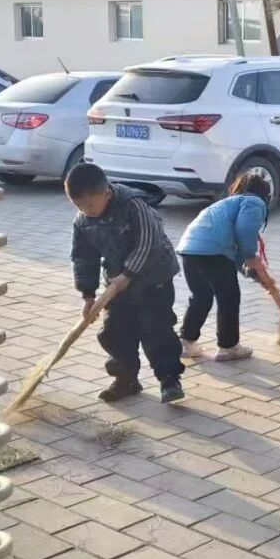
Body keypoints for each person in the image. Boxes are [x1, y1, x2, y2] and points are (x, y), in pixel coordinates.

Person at [67, 163, 185, 403]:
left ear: (106, 193)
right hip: (116, 283)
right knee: (114, 332)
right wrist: (88, 295)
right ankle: (126, 379)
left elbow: (148, 244)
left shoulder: (134, 206)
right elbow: (83, 257)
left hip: (154, 278)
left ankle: (169, 380)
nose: (85, 211)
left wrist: (128, 275)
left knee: (156, 329)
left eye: (89, 205)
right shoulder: (83, 221)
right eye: (78, 206)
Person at [176, 172, 270, 362]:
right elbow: (245, 230)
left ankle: (186, 342)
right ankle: (228, 347)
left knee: (201, 296)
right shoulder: (254, 202)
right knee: (229, 297)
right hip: (213, 251)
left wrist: (252, 273)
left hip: (189, 249)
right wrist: (251, 255)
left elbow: (234, 255)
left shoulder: (225, 204)